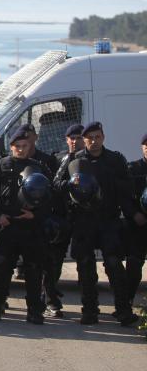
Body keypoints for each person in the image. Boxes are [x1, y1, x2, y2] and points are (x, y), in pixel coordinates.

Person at [54, 121, 143, 326]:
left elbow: (127, 188)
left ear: (103, 137)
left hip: (108, 220)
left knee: (114, 264)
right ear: (84, 139)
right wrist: (71, 183)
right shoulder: (74, 159)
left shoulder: (115, 159)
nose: (94, 141)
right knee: (85, 267)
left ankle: (123, 311)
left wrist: (112, 190)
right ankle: (90, 311)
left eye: (97, 137)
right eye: (89, 138)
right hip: (83, 220)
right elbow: (56, 184)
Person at [0, 126, 51, 324]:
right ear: (11, 146)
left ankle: (34, 311)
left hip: (30, 227)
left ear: (30, 146)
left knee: (34, 271)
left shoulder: (39, 167)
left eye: (24, 145)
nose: (21, 149)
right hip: (6, 225)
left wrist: (35, 215)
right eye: (17, 146)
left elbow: (49, 197)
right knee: (0, 269)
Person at [42, 123, 84, 317]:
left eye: (78, 138)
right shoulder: (58, 159)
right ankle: (50, 299)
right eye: (71, 138)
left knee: (84, 260)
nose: (75, 141)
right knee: (54, 260)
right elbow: (52, 185)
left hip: (83, 217)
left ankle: (89, 305)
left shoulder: (89, 160)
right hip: (61, 217)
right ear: (66, 140)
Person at [125, 133, 147, 308]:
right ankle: (127, 301)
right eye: (146, 146)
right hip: (139, 225)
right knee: (133, 264)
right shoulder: (133, 169)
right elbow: (124, 197)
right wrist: (134, 214)